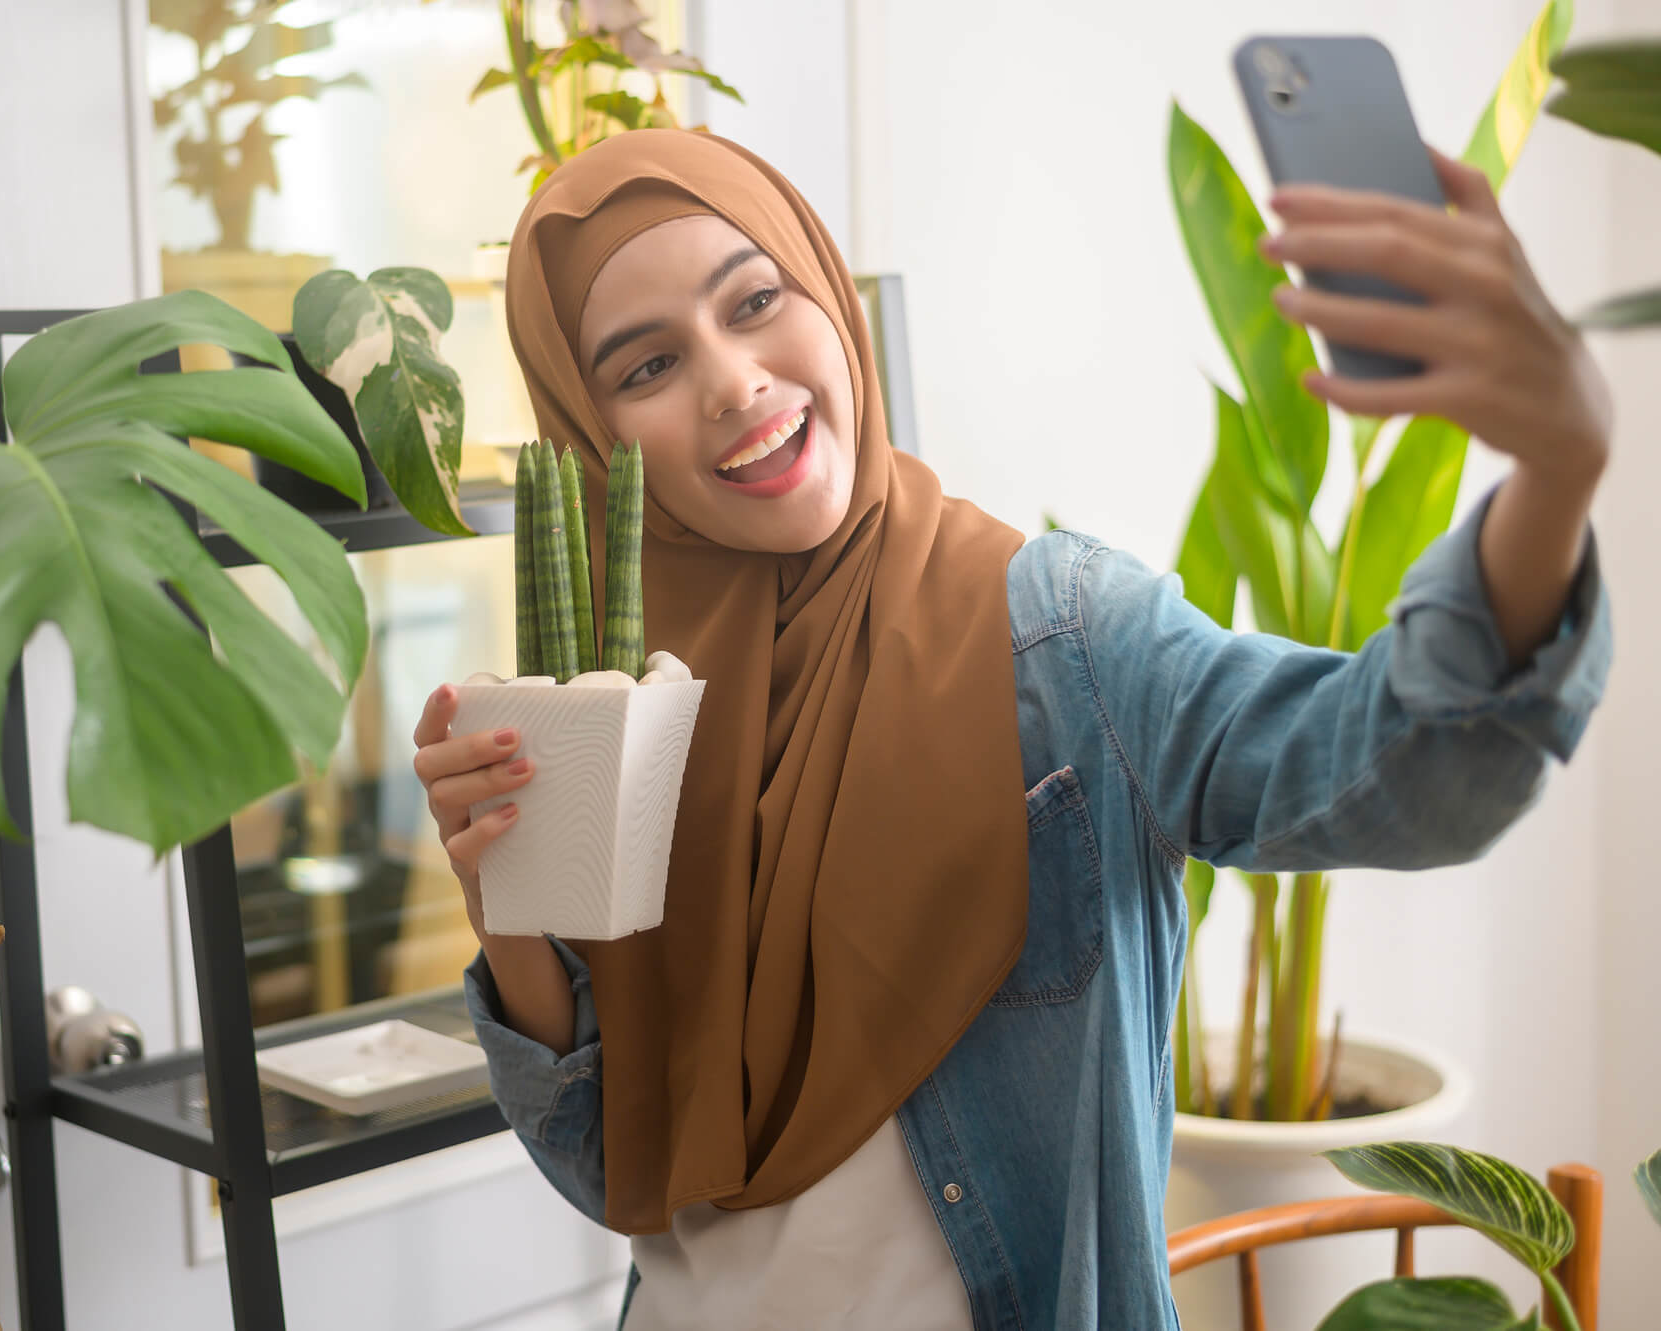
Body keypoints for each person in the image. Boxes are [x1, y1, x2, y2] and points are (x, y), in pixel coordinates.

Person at [409, 128, 1613, 1330]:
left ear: (825, 295)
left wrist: (1556, 467)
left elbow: (1403, 766)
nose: (730, 381)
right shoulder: (621, 706)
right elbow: (616, 1166)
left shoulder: (1065, 640)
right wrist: (508, 908)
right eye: (645, 367)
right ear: (590, 433)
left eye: (756, 299)